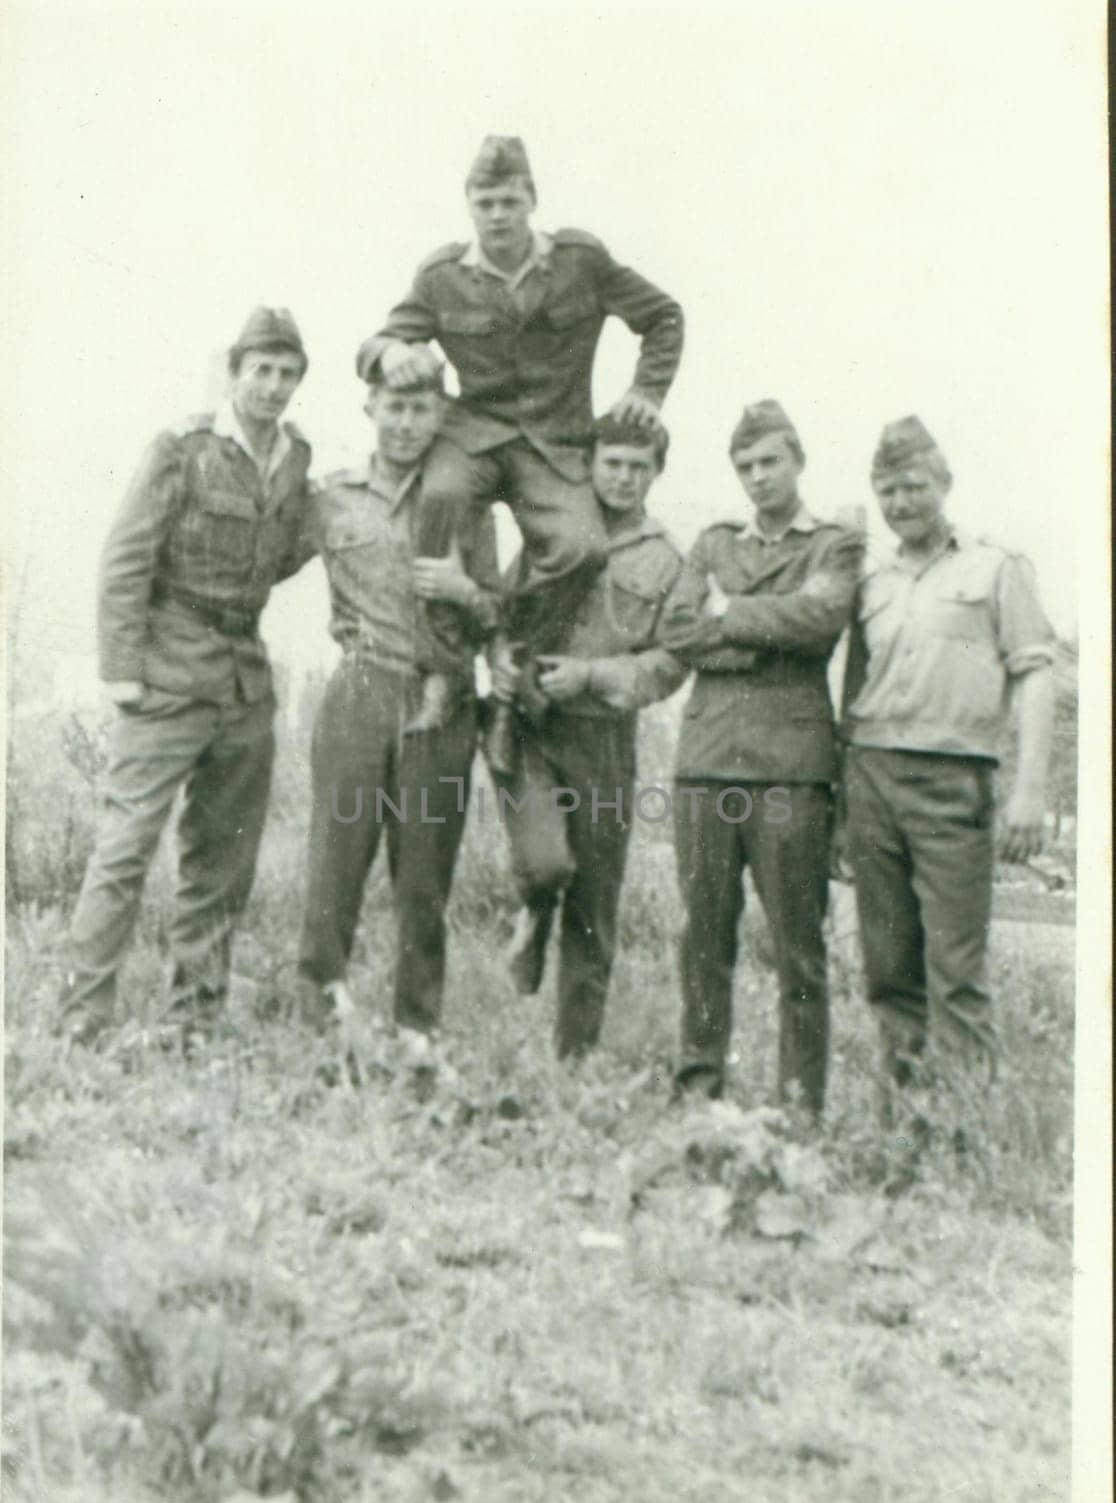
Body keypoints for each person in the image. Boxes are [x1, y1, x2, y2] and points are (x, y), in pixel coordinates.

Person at [355, 135, 684, 767]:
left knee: (582, 548)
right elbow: (379, 341)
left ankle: (509, 676)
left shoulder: (581, 261)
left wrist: (649, 389)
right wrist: (391, 351)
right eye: (485, 202)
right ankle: (445, 672)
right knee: (441, 499)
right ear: (469, 206)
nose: (498, 214)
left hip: (555, 443)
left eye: (510, 200)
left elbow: (664, 316)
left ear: (532, 200)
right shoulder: (442, 276)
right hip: (474, 434)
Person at [58, 307, 314, 1046]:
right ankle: (82, 1020)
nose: (272, 386)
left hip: (243, 685)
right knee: (124, 849)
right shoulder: (183, 447)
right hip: (167, 677)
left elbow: (284, 550)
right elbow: (125, 556)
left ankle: (194, 1020)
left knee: (222, 859)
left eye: (287, 374)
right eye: (260, 370)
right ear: (233, 372)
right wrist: (122, 674)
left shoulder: (295, 459)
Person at [841, 416, 1056, 1107]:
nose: (900, 503)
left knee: (955, 973)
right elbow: (853, 690)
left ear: (944, 483)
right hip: (872, 778)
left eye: (912, 486)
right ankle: (901, 1128)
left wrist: (1028, 794)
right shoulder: (869, 580)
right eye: (887, 492)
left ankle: (968, 1141)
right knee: (887, 968)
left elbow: (1035, 674)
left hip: (953, 783)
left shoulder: (996, 568)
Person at [659, 400, 865, 1117]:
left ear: (797, 459)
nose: (757, 477)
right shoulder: (714, 543)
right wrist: (755, 624)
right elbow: (678, 628)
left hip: (791, 772)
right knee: (703, 938)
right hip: (709, 763)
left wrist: (729, 614)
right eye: (744, 466)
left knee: (798, 948)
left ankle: (800, 1106)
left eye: (769, 461)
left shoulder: (833, 545)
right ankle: (698, 1089)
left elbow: (820, 622)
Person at [296, 362, 500, 1069]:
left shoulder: (468, 508)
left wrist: (466, 588)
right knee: (335, 866)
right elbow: (262, 557)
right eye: (395, 407)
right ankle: (324, 1023)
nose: (407, 423)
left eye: (420, 408)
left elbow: (496, 611)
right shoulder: (331, 499)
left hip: (440, 700)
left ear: (440, 413)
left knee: (424, 879)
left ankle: (418, 1031)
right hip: (360, 689)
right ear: (370, 407)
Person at [491, 414, 685, 1062]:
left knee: (596, 905)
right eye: (613, 464)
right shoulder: (553, 530)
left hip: (604, 737)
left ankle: (572, 1061)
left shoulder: (665, 558)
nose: (625, 479)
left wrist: (595, 675)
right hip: (534, 727)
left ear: (656, 473)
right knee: (546, 865)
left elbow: (670, 663)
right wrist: (503, 663)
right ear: (591, 464)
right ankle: (534, 909)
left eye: (639, 467)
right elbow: (506, 610)